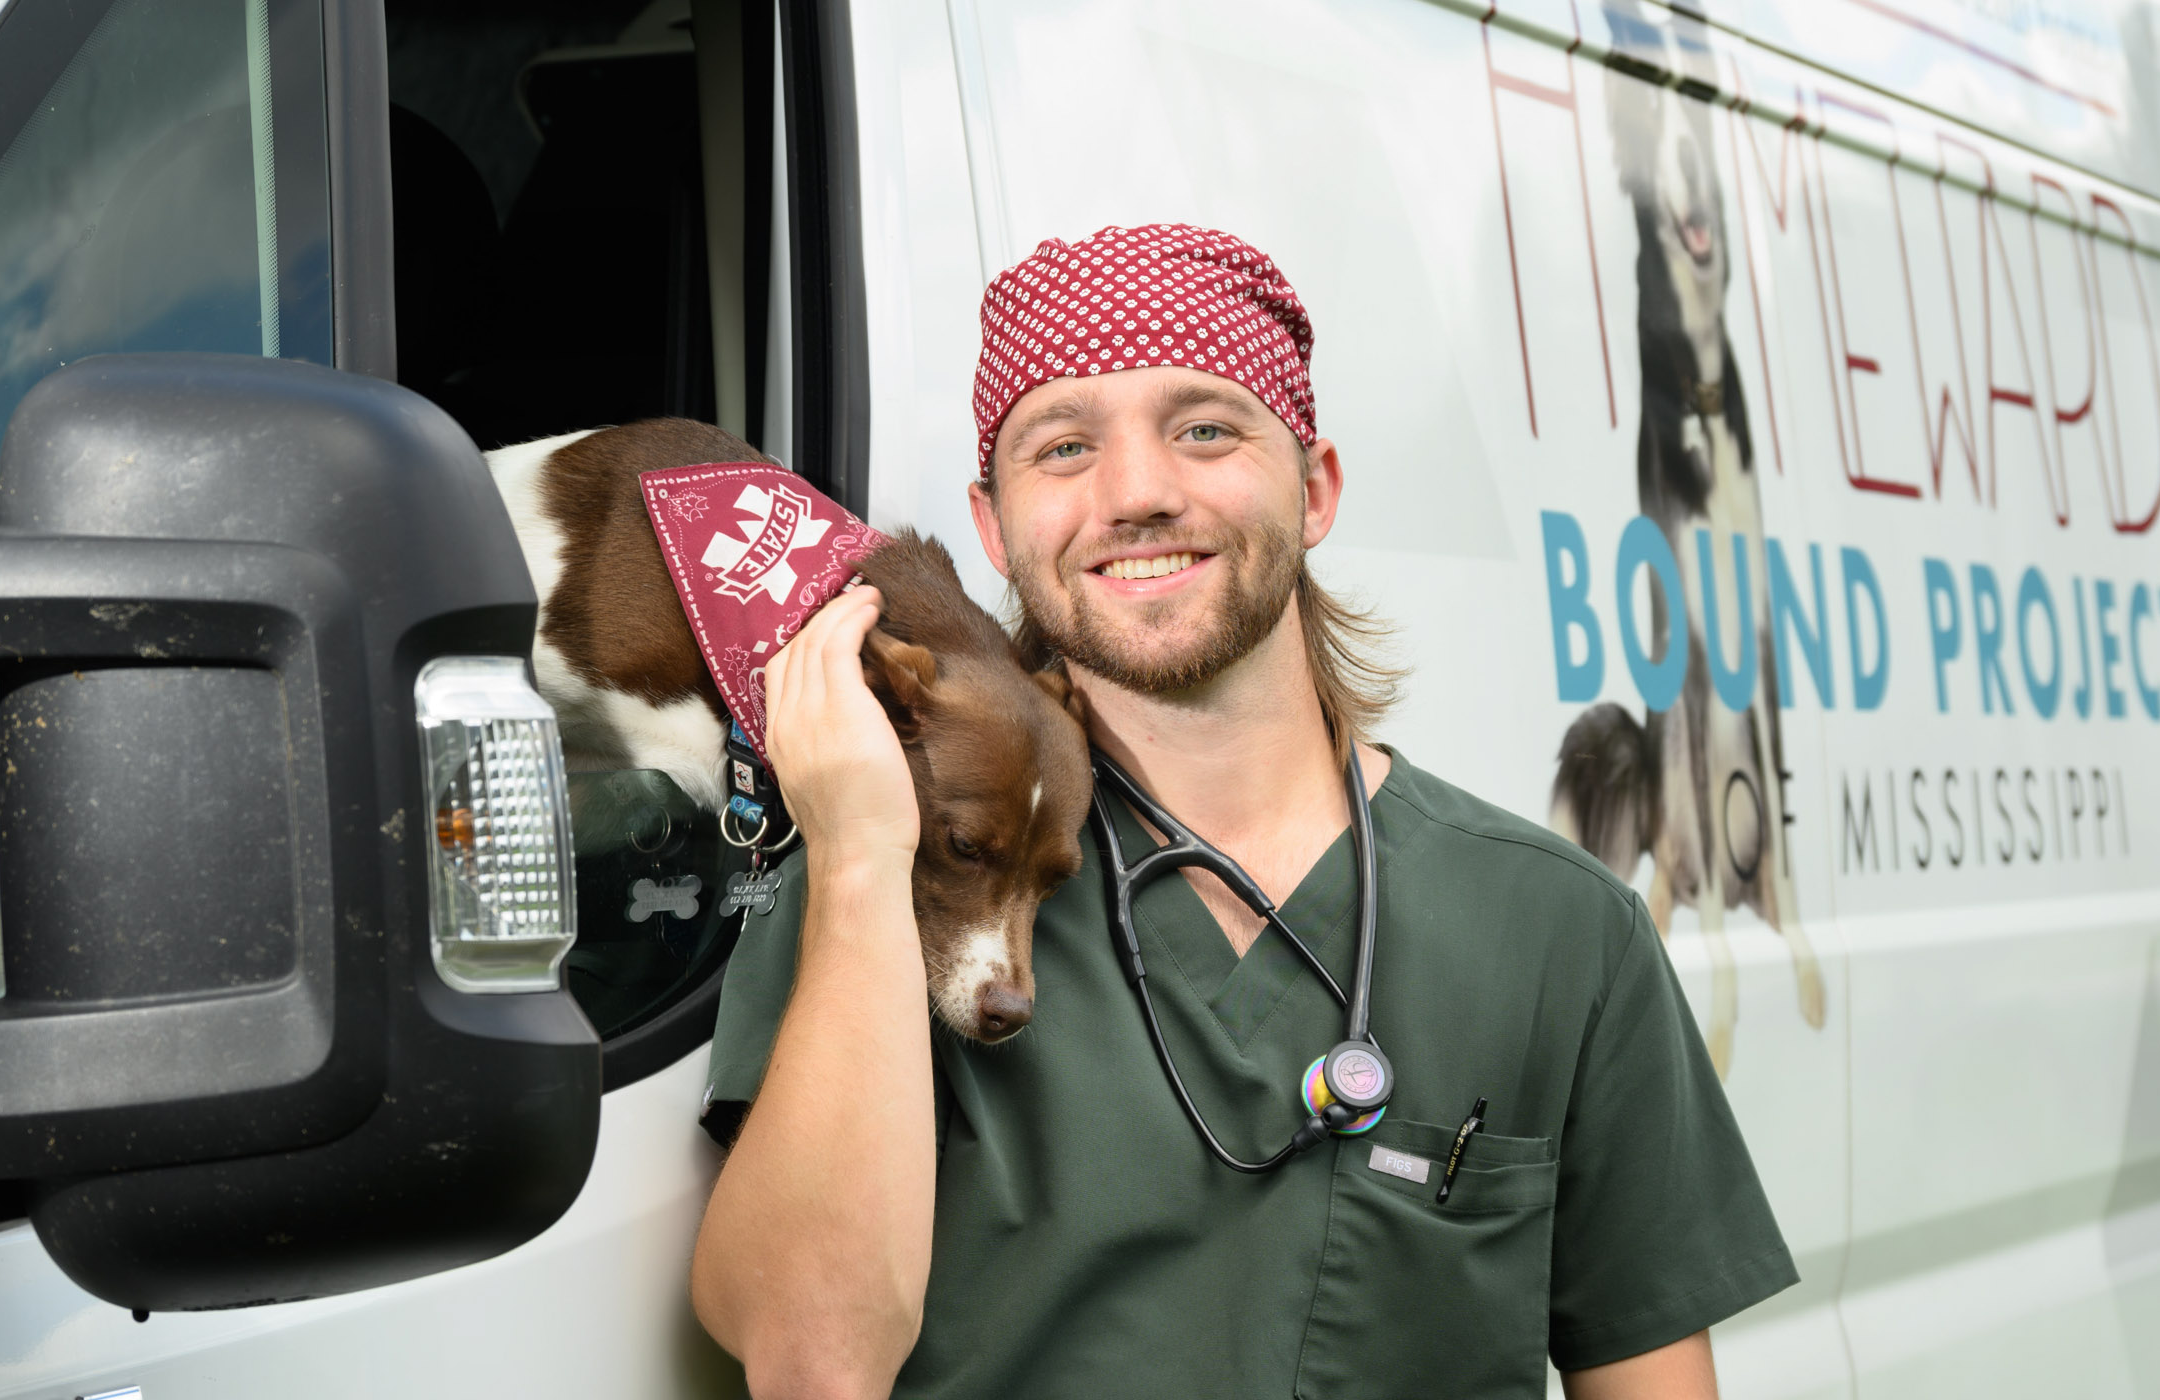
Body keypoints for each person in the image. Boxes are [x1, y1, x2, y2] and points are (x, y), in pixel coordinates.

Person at [689, 224, 1795, 1400]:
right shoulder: (893, 878)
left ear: (1314, 488)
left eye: (1205, 428)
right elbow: (811, 1361)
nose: (1139, 493)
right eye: (1062, 446)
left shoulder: (1559, 929)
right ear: (993, 524)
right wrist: (861, 855)